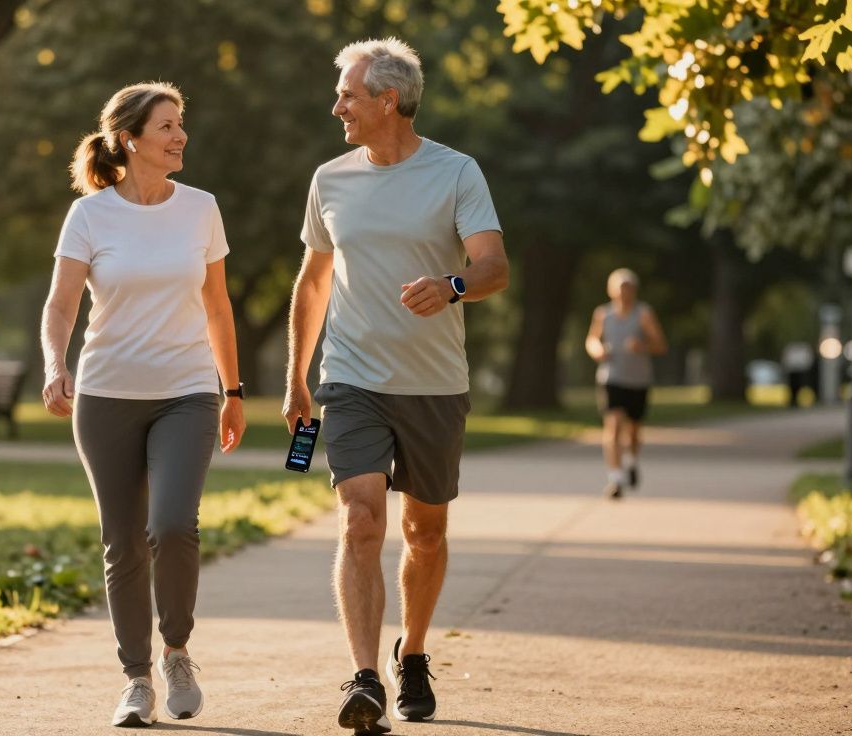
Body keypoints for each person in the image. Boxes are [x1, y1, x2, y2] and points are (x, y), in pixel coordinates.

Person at [283, 38, 509, 733]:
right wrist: (297, 377)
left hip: (434, 383)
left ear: (390, 100)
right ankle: (365, 677)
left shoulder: (456, 173)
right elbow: (315, 280)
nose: (336, 107)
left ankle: (411, 651)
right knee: (360, 520)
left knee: (425, 531)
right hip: (350, 377)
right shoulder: (331, 179)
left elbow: (494, 267)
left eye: (348, 95)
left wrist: (451, 286)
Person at [39, 81, 246, 728]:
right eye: (167, 126)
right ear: (130, 139)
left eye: (181, 123)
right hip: (105, 396)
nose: (180, 135)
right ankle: (136, 679)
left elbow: (217, 305)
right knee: (123, 541)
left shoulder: (202, 208)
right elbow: (62, 304)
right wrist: (55, 364)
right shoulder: (91, 215)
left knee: (174, 526)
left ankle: (176, 652)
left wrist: (233, 391)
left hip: (187, 392)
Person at [585, 268, 667, 499]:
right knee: (613, 425)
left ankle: (630, 462)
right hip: (612, 377)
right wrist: (597, 350)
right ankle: (615, 478)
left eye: (627, 288)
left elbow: (660, 345)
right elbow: (592, 339)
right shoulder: (603, 314)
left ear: (634, 291)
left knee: (633, 430)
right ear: (611, 291)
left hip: (638, 379)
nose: (623, 293)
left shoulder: (644, 314)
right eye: (619, 289)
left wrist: (642, 347)